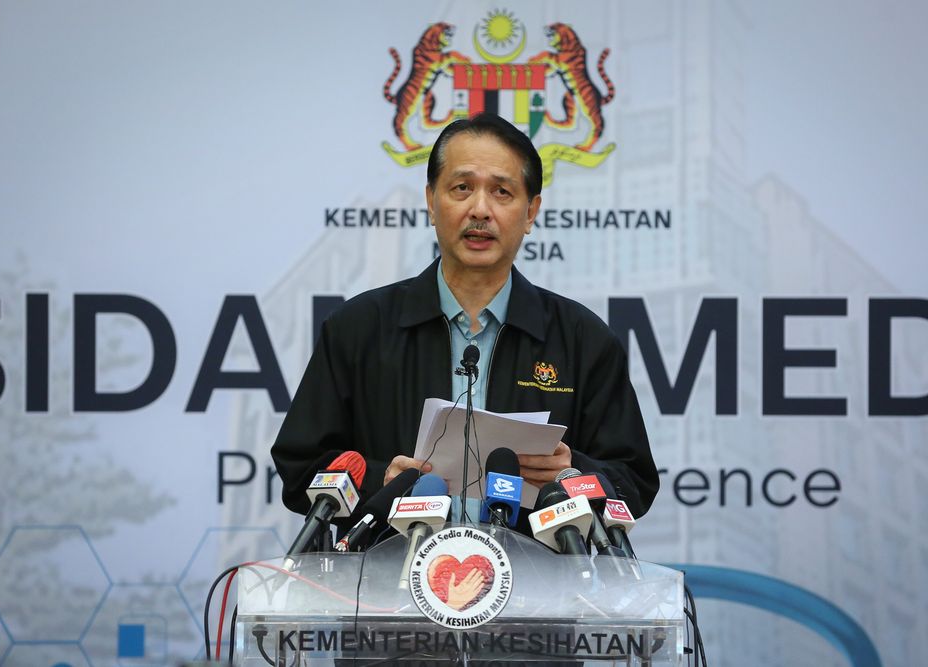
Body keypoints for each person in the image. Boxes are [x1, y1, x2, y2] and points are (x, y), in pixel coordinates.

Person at [271, 113, 658, 524]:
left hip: (537, 583)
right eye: (461, 188)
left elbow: (632, 483)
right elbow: (300, 471)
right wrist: (379, 481)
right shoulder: (358, 329)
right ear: (431, 202)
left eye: (502, 192)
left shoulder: (583, 340)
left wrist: (571, 471)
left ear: (531, 213)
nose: (480, 209)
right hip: (384, 579)